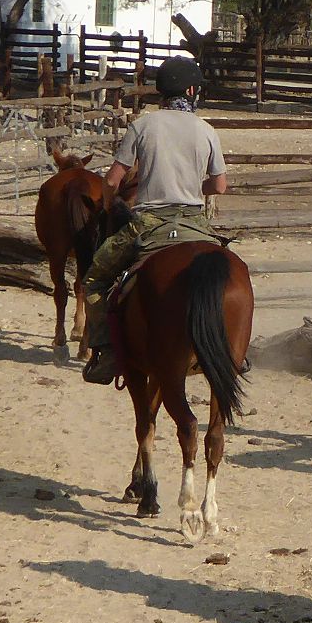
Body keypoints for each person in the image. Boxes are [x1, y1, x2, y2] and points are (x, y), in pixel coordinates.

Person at [80, 56, 228, 384]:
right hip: (195, 223)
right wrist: (192, 187)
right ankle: (233, 352)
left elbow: (112, 180)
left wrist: (108, 205)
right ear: (191, 90)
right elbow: (219, 186)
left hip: (149, 223)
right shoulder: (206, 130)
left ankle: (105, 352)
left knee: (95, 279)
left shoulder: (143, 125)